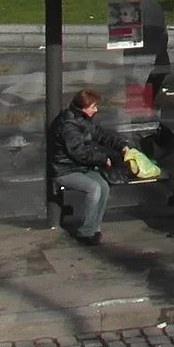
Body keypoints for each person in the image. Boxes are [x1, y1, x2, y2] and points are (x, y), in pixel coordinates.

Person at [48, 87, 129, 245]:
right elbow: (79, 152)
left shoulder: (82, 120)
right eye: (93, 106)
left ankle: (94, 227)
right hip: (64, 170)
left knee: (104, 186)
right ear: (84, 107)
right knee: (94, 188)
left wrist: (121, 145)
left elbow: (101, 134)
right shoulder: (68, 125)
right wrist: (102, 159)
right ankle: (86, 232)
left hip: (80, 168)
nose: (96, 109)